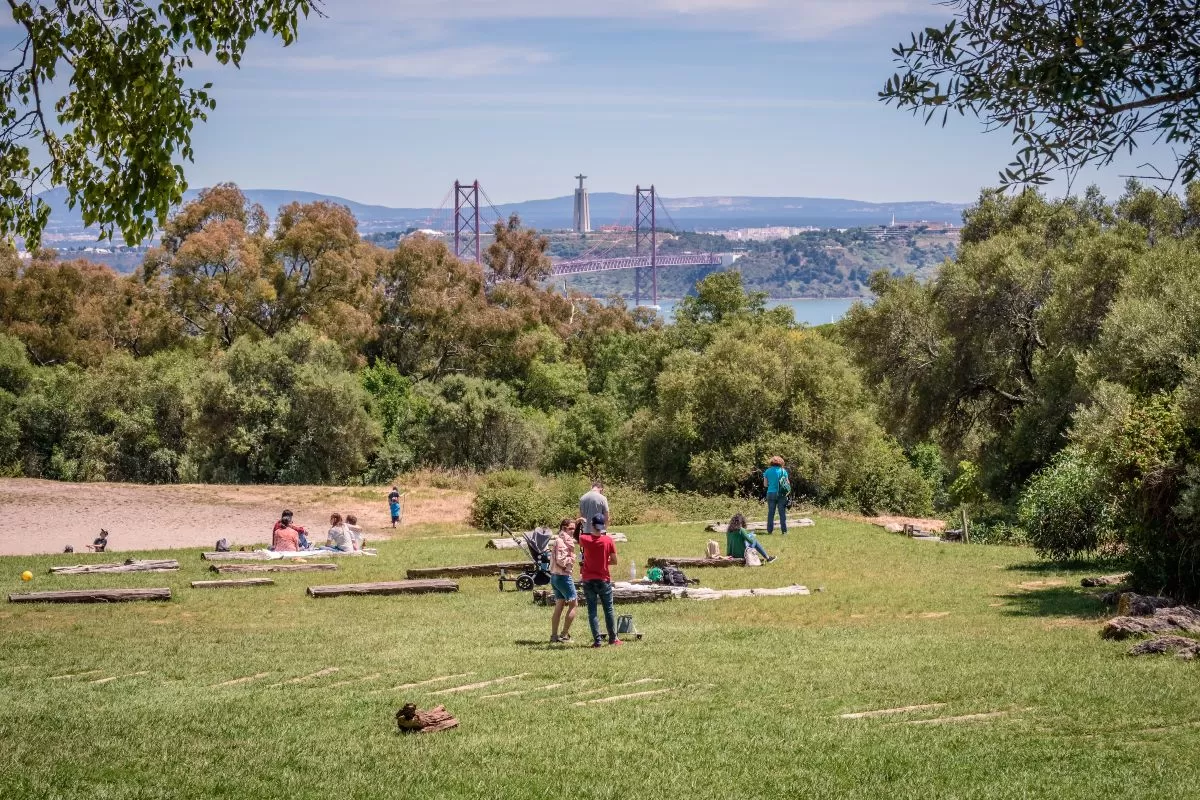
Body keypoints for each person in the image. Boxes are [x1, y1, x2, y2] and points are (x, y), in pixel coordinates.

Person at [579, 513, 621, 648]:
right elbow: (614, 561)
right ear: (603, 526)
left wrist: (579, 522)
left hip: (588, 579)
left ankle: (597, 641)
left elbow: (576, 537)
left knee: (592, 611)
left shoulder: (585, 539)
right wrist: (604, 561)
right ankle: (613, 638)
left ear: (592, 525)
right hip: (603, 578)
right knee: (608, 609)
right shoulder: (608, 540)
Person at [549, 518, 579, 644]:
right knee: (574, 604)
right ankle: (564, 634)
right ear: (563, 528)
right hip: (563, 577)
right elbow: (561, 560)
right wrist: (572, 558)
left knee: (559, 605)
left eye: (574, 528)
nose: (573, 531)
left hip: (555, 576)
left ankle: (554, 635)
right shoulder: (561, 541)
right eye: (571, 528)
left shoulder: (562, 540)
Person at [763, 456, 790, 535]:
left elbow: (765, 485)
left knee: (771, 512)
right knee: (782, 513)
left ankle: (769, 531)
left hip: (770, 493)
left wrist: (772, 484)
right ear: (781, 462)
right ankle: (784, 531)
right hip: (781, 493)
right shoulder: (783, 471)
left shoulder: (767, 471)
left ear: (771, 462)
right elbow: (787, 483)